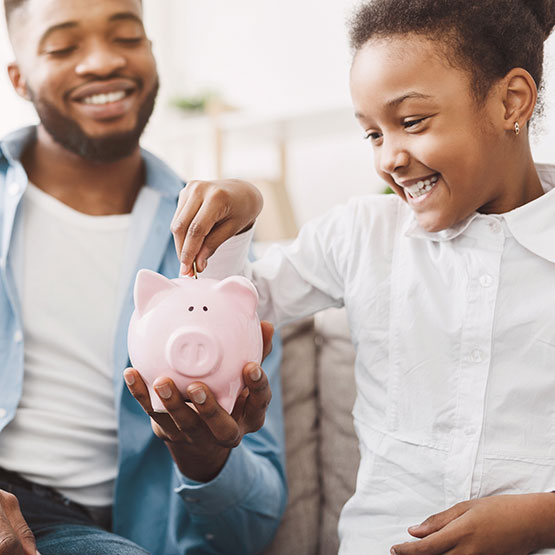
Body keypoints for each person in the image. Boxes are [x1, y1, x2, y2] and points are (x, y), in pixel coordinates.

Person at [171, 0, 555, 553]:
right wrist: (242, 210)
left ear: (509, 101)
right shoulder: (361, 236)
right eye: (373, 134)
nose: (388, 159)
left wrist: (541, 520)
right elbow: (228, 308)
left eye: (412, 122)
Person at [0, 0, 287, 554]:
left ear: (152, 54)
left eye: (127, 36)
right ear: (18, 77)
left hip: (98, 535)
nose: (103, 61)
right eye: (64, 46)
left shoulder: (217, 252)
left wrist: (207, 461)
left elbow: (251, 528)